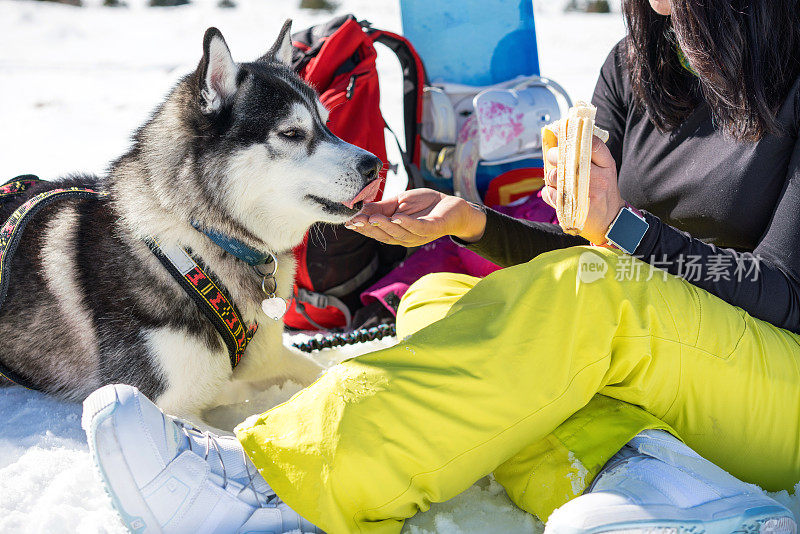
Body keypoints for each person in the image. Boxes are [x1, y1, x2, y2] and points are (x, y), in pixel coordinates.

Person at [81, 0, 800, 532]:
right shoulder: (637, 63)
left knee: (586, 297)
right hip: (669, 359)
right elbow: (595, 261)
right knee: (438, 297)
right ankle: (647, 482)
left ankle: (279, 485)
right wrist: (474, 224)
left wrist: (625, 229)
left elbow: (783, 294)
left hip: (779, 388)